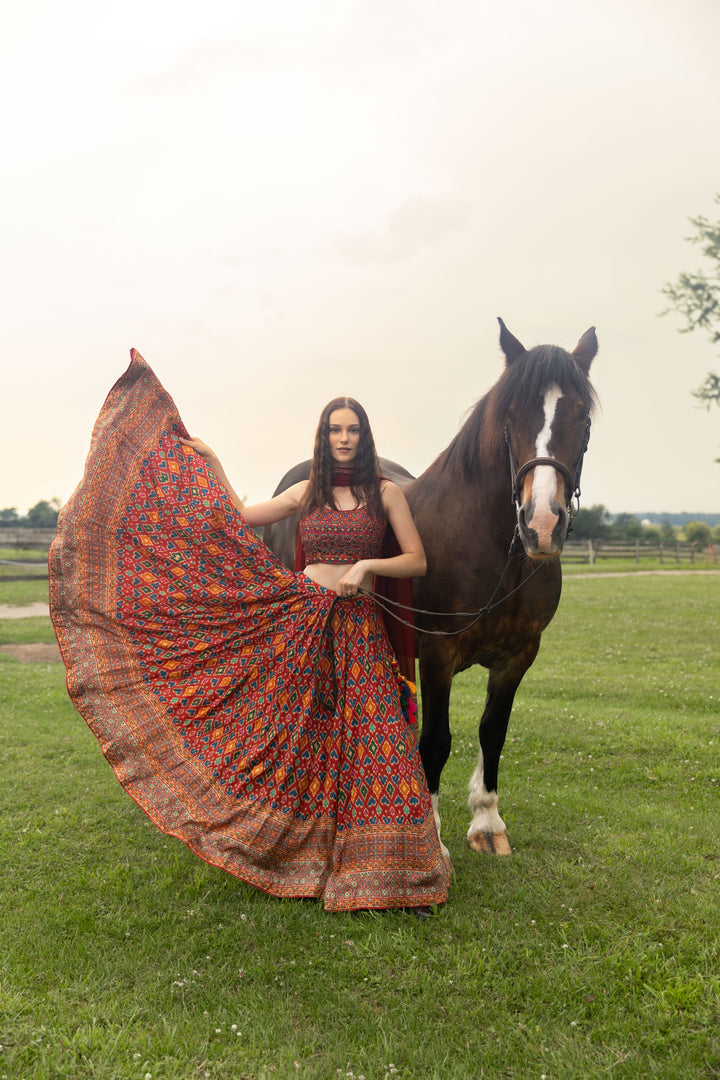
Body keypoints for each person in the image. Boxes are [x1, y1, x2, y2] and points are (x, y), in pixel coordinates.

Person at [49, 351, 449, 914]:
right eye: (335, 429)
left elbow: (417, 561)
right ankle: (298, 854)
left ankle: (397, 869)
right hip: (306, 620)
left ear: (364, 437)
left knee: (379, 737)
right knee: (299, 739)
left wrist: (367, 568)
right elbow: (236, 514)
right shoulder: (306, 491)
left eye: (352, 429)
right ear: (323, 436)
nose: (343, 437)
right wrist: (211, 459)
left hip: (359, 630)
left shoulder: (385, 494)